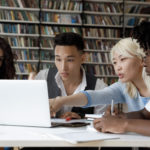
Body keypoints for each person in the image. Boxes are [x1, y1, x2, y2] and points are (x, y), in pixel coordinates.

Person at [50, 37, 150, 136]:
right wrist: (61, 101)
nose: (118, 67)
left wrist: (123, 123)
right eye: (114, 62)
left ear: (141, 59)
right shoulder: (124, 87)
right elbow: (95, 96)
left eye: (123, 59)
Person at [35, 32, 107, 119]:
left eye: (70, 60)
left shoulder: (99, 88)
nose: (63, 67)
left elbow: (101, 123)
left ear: (83, 58)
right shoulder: (43, 77)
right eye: (58, 59)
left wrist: (82, 119)